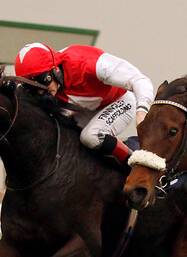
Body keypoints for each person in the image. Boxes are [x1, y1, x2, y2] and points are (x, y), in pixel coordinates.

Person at [13, 42, 154, 168]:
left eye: (43, 81)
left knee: (90, 136)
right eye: (33, 86)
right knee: (60, 137)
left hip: (121, 101)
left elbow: (140, 80)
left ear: (55, 69)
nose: (41, 91)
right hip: (88, 109)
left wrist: (142, 111)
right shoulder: (45, 85)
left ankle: (134, 166)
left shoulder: (86, 63)